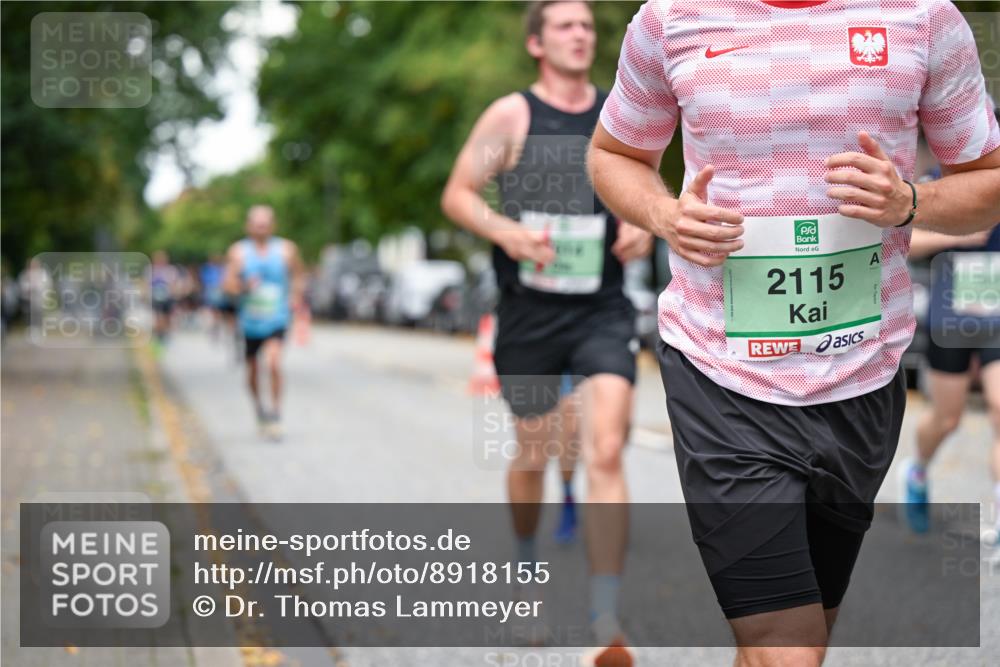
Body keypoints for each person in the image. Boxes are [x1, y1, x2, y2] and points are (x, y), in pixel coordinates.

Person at [588, 1, 1000, 664]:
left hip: (861, 375)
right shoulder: (671, 18)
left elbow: (988, 180)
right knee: (788, 646)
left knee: (799, 634)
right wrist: (665, 214)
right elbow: (614, 155)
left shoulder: (923, 17)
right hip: (721, 373)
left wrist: (911, 202)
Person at [441, 1, 652, 663]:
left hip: (602, 309)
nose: (581, 34)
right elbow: (458, 193)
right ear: (537, 43)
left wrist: (646, 224)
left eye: (588, 26)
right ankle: (526, 565)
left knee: (607, 449)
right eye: (565, 25)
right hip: (530, 313)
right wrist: (504, 229)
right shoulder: (514, 115)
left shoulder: (620, 111)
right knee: (532, 455)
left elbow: (648, 190)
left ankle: (604, 614)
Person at [903, 222, 1000, 540]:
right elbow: (907, 240)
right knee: (948, 419)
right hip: (951, 314)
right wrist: (960, 231)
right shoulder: (943, 181)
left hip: (997, 314)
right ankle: (917, 471)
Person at [223, 205, 306, 440]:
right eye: (257, 224)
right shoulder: (238, 252)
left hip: (277, 317)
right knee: (252, 368)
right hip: (250, 321)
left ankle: (276, 413)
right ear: (248, 226)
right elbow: (227, 285)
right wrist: (242, 286)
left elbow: (299, 275)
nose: (261, 228)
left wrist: (296, 296)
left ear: (272, 225)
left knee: (273, 362)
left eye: (265, 223)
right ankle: (259, 409)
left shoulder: (286, 250)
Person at [149, 250, 179, 350]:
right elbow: (146, 284)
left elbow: (173, 284)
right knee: (158, 317)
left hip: (167, 298)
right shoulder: (151, 270)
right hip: (155, 298)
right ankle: (158, 337)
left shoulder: (170, 270)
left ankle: (165, 335)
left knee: (167, 318)